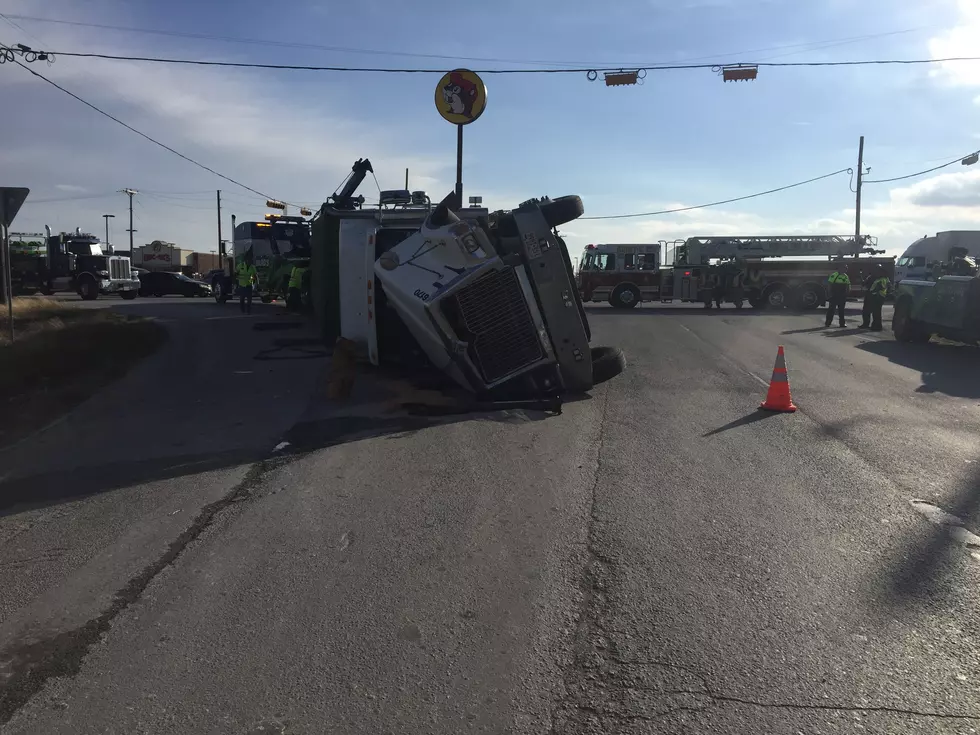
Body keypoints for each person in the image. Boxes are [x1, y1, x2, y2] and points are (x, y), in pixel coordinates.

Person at [860, 265, 890, 331]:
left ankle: (876, 326)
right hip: (870, 295)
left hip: (878, 296)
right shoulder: (871, 276)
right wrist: (863, 282)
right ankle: (867, 324)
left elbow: (887, 286)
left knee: (876, 312)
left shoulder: (883, 278)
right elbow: (865, 283)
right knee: (866, 310)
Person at [825, 261, 850, 327]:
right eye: (844, 268)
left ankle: (842, 323)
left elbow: (848, 284)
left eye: (846, 268)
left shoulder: (846, 276)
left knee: (841, 310)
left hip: (842, 295)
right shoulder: (834, 275)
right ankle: (828, 323)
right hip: (834, 294)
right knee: (831, 309)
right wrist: (829, 293)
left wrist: (847, 292)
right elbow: (829, 284)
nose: (845, 270)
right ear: (840, 268)